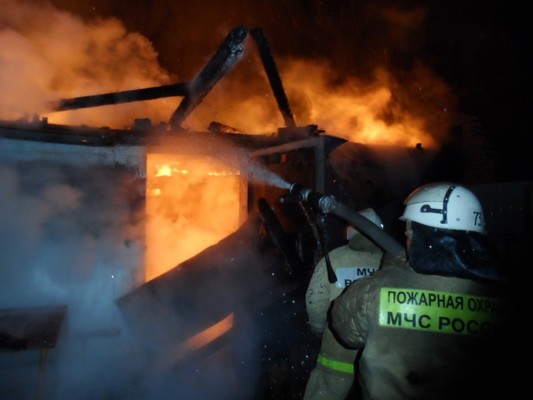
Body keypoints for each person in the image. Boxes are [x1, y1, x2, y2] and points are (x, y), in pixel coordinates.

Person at [330, 182, 511, 399]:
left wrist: (392, 272)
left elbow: (344, 330)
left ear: (421, 235)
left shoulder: (378, 289)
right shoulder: (508, 297)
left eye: (409, 233)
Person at [303, 208, 385, 400]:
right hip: (377, 365)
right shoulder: (391, 262)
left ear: (350, 230)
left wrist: (318, 327)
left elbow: (315, 301)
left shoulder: (334, 259)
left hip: (336, 360)